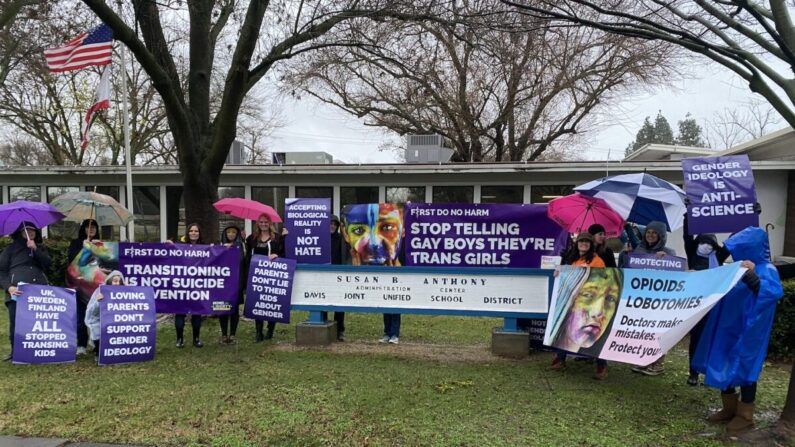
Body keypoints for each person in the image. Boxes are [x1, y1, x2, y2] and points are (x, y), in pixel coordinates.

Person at [692, 227, 783, 435]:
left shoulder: (766, 268)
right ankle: (729, 408)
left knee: (745, 368)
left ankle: (745, 415)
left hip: (749, 331)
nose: (736, 253)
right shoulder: (736, 266)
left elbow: (772, 292)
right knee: (722, 360)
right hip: (728, 327)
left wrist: (750, 275)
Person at [341, 203, 405, 344]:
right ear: (346, 234)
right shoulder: (353, 259)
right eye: (358, 230)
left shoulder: (401, 253)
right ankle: (387, 333)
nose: (374, 242)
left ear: (403, 230)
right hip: (380, 275)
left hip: (395, 275)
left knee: (395, 303)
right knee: (385, 304)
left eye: (387, 228)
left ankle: (395, 334)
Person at [549, 232, 608, 378]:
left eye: (587, 242)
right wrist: (559, 272)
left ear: (590, 244)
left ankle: (602, 366)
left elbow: (601, 279)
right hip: (572, 301)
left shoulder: (597, 260)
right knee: (563, 327)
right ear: (577, 243)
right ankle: (560, 358)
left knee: (595, 335)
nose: (584, 244)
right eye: (581, 241)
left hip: (591, 303)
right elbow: (566, 277)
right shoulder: (571, 258)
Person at [623, 220, 676, 376]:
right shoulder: (640, 249)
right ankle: (644, 360)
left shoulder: (669, 252)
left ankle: (658, 363)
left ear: (661, 236)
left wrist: (666, 260)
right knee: (643, 331)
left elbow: (676, 274)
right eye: (648, 232)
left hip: (659, 301)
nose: (651, 235)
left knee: (658, 332)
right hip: (641, 300)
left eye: (654, 233)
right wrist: (627, 255)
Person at [682, 216, 730, 386]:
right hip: (696, 305)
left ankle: (708, 372)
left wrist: (748, 218)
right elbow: (687, 237)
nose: (706, 245)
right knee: (696, 338)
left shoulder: (719, 256)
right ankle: (693, 372)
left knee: (712, 339)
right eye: (703, 241)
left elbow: (734, 240)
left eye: (710, 243)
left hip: (714, 305)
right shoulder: (692, 254)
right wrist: (688, 216)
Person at [0, 222, 51, 361]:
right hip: (16, 291)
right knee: (15, 321)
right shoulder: (9, 249)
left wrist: (35, 250)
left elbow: (48, 264)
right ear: (20, 231)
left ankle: (38, 349)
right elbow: (1, 271)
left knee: (37, 322)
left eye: (33, 229)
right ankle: (15, 351)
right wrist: (9, 287)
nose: (30, 232)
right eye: (27, 229)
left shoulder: (39, 248)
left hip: (38, 290)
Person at [246, 213, 284, 342]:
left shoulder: (277, 238)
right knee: (258, 302)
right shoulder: (252, 238)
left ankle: (270, 330)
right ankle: (258, 332)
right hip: (256, 274)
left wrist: (276, 254)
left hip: (272, 274)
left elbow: (284, 252)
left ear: (270, 223)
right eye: (261, 222)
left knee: (271, 302)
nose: (263, 224)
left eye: (266, 222)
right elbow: (247, 256)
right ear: (257, 223)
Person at [66, 218, 101, 356]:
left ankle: (95, 341)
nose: (91, 229)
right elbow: (72, 261)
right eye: (88, 227)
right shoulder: (76, 243)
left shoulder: (100, 244)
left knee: (95, 315)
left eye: (94, 227)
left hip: (95, 287)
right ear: (83, 229)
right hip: (79, 287)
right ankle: (81, 344)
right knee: (80, 316)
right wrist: (83, 248)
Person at [171, 223, 204, 348]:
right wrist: (169, 245)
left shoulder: (205, 247)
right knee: (179, 313)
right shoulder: (180, 246)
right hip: (182, 286)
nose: (194, 233)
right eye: (191, 231)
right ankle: (179, 339)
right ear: (188, 233)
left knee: (197, 313)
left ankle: (196, 339)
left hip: (198, 286)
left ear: (199, 233)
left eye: (196, 231)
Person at [85, 270, 125, 359]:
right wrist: (98, 301)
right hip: (99, 320)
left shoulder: (123, 293)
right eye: (115, 281)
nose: (117, 284)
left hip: (116, 321)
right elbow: (91, 312)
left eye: (119, 282)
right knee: (98, 330)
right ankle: (98, 351)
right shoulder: (100, 291)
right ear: (110, 280)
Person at [323, 215, 348, 341]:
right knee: (323, 302)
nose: (332, 226)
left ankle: (339, 331)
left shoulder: (341, 239)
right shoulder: (321, 238)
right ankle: (323, 326)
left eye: (334, 224)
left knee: (339, 304)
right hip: (323, 275)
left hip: (338, 275)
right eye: (330, 223)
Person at [218, 224, 245, 344]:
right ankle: (224, 334)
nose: (231, 234)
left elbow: (242, 261)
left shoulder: (242, 246)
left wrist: (233, 249)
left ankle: (233, 334)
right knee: (222, 308)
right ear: (225, 234)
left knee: (234, 309)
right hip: (222, 283)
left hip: (237, 282)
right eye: (229, 232)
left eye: (234, 232)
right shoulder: (219, 246)